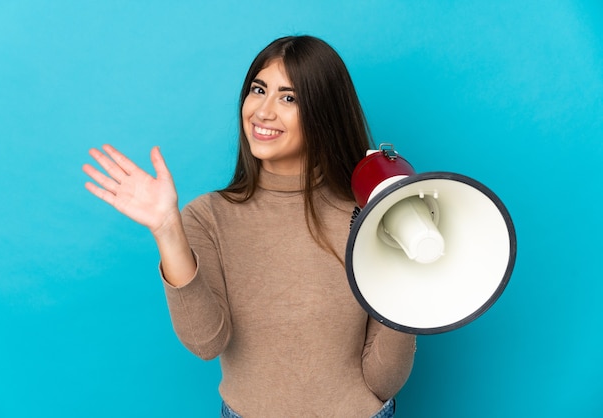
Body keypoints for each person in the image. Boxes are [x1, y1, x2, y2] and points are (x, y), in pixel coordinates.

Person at [83, 35, 416, 417]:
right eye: (259, 90)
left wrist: (410, 282)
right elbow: (207, 342)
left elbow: (383, 381)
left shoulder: (372, 215)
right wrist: (167, 230)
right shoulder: (208, 217)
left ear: (324, 111)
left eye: (289, 98)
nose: (263, 111)